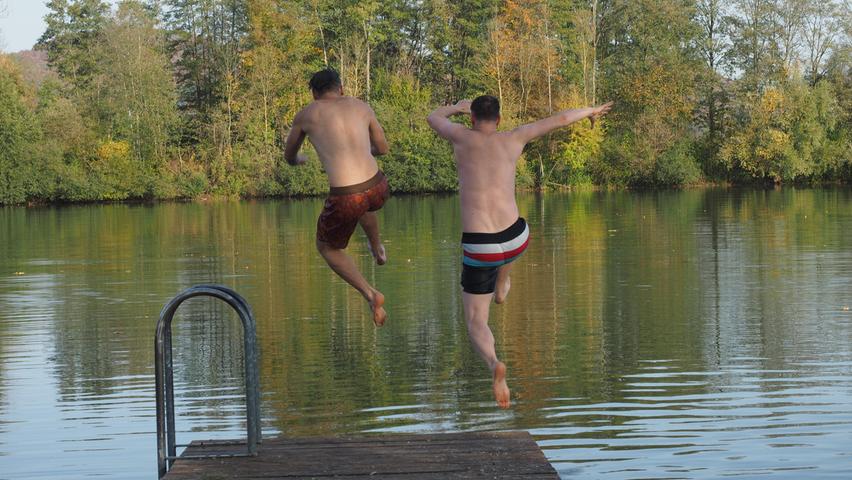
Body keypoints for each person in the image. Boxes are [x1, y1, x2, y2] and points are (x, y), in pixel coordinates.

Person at [427, 95, 613, 408]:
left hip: (480, 245)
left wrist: (456, 108)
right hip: (516, 236)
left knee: (476, 321)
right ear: (499, 119)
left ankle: (493, 364)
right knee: (507, 257)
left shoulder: (460, 136)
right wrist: (591, 111)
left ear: (472, 119)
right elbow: (561, 119)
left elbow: (433, 116)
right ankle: (502, 286)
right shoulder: (515, 137)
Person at [283, 68, 391, 327]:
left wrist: (298, 160)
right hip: (378, 185)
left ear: (314, 93)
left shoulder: (307, 114)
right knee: (365, 202)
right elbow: (383, 149)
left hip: (346, 196)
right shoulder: (361, 106)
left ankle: (371, 294)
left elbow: (289, 156)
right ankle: (376, 246)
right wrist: (365, 150)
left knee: (327, 247)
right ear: (340, 88)